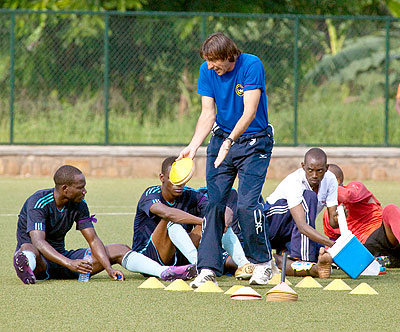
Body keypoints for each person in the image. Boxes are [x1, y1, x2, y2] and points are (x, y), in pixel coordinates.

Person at [178, 32, 274, 287]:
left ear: (228, 55)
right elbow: (208, 113)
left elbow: (250, 111)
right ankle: (207, 268)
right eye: (208, 61)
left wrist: (230, 142)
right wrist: (193, 146)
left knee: (246, 205)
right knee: (214, 204)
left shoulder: (251, 65)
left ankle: (264, 264)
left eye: (214, 61)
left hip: (255, 143)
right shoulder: (206, 70)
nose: (210, 66)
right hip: (221, 139)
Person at [13, 165, 195, 284]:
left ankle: (164, 272)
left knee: (119, 249)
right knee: (29, 247)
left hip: (64, 260)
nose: (85, 191)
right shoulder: (38, 202)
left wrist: (108, 268)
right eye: (80, 187)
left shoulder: (79, 205)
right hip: (42, 261)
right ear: (65, 189)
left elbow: (93, 240)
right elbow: (39, 242)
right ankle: (25, 267)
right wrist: (69, 263)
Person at [132, 156, 255, 279]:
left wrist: (223, 221)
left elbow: (225, 210)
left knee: (217, 220)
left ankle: (244, 265)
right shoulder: (151, 193)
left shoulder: (190, 194)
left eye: (182, 179)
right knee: (172, 222)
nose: (179, 183)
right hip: (149, 257)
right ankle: (200, 266)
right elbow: (168, 214)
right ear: (162, 178)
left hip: (178, 254)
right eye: (173, 179)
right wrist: (205, 222)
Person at [264, 148, 337, 278]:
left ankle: (279, 259)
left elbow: (332, 222)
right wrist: (330, 243)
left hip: (292, 231)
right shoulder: (295, 182)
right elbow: (302, 226)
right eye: (310, 170)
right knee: (309, 197)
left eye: (319, 171)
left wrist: (337, 220)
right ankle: (304, 261)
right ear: (303, 167)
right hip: (272, 225)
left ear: (326, 168)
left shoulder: (331, 180)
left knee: (320, 250)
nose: (314, 175)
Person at [323, 164, 400, 267]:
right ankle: (385, 260)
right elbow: (334, 242)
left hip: (383, 236)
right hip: (364, 250)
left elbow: (347, 196)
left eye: (322, 180)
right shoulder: (327, 216)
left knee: (390, 210)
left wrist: (326, 188)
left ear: (336, 181)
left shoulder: (355, 186)